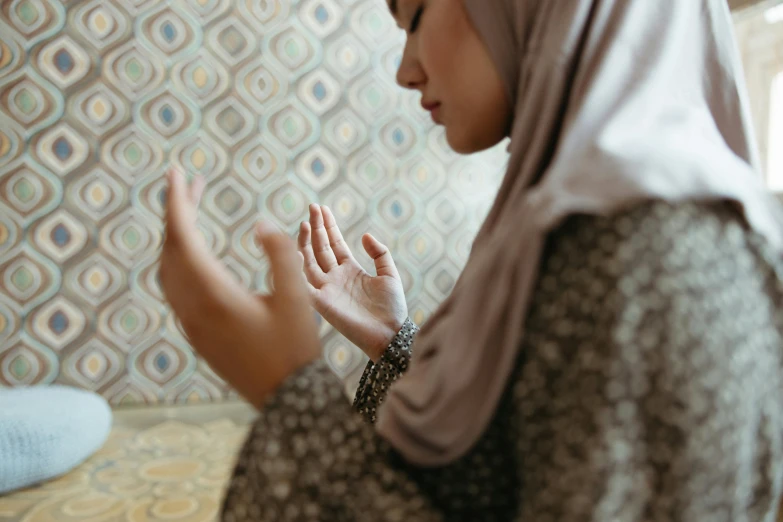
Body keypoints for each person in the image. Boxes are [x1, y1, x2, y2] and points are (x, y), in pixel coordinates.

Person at [158, 0, 783, 519]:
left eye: (416, 17)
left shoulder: (652, 259)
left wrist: (286, 389)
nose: (405, 70)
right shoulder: (580, 225)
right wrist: (397, 346)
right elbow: (523, 461)